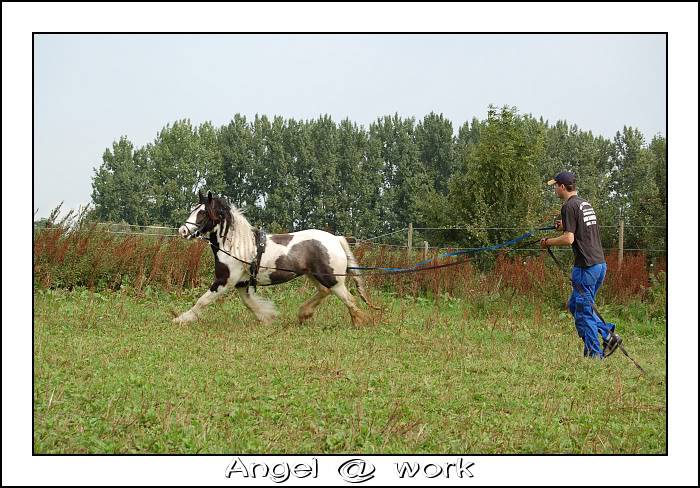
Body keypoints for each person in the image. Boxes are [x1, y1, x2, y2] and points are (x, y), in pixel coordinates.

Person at [540, 171, 622, 358]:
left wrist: (548, 242)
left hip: (585, 267)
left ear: (562, 186)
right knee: (575, 305)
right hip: (599, 264)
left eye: (555, 185)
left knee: (584, 313)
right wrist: (564, 225)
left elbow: (569, 239)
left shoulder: (568, 206)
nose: (554, 189)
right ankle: (608, 335)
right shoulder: (584, 204)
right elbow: (581, 227)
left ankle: (595, 356)